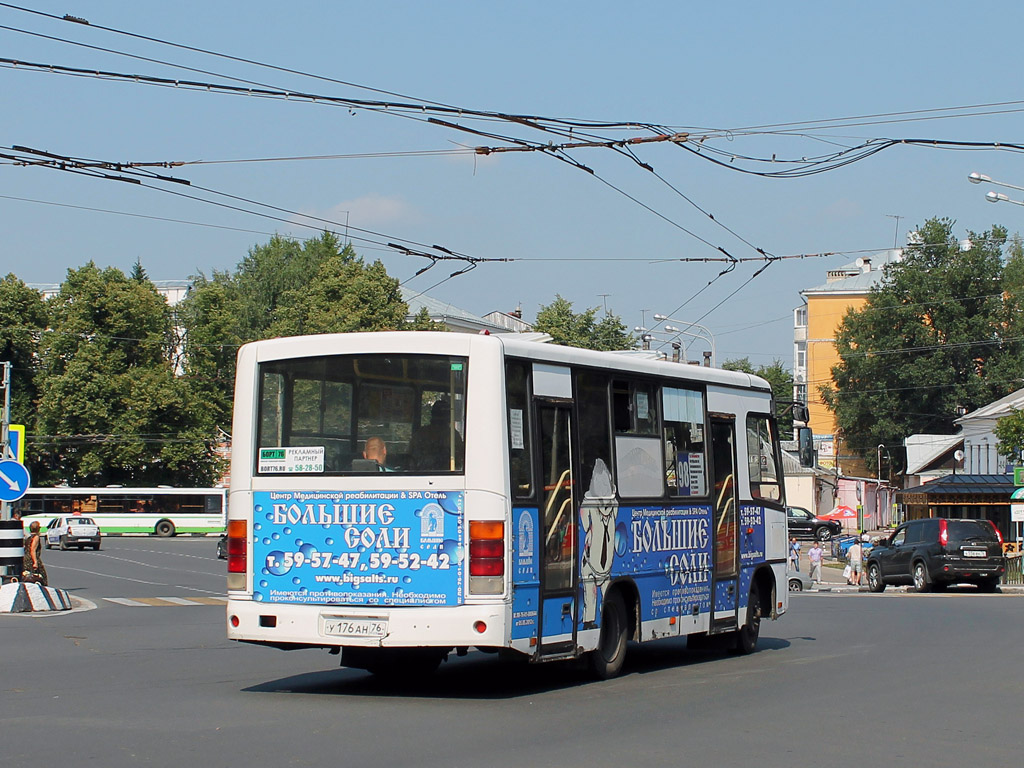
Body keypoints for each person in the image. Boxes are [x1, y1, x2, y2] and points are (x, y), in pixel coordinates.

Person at [409, 398, 464, 471]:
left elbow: (411, 457)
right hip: (442, 474)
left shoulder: (421, 433)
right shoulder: (453, 435)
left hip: (426, 473)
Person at [22, 520, 48, 586]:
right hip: (31, 559)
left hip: (26, 558)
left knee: (29, 577)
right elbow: (32, 550)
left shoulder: (29, 538)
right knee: (41, 576)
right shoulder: (36, 537)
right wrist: (35, 562)